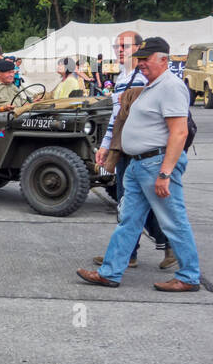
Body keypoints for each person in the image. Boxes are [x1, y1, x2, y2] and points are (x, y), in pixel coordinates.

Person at [77, 37, 200, 292]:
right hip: (137, 165)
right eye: (140, 58)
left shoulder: (171, 87)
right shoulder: (152, 85)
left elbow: (179, 133)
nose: (141, 63)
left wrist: (165, 173)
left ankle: (189, 276)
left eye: (146, 59)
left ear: (164, 59)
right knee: (128, 221)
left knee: (173, 221)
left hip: (155, 164)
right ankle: (110, 272)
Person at [91, 30, 173, 270]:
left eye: (125, 46)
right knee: (129, 201)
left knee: (140, 201)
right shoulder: (122, 77)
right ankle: (131, 252)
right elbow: (116, 118)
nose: (119, 50)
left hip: (142, 149)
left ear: (139, 48)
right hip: (125, 146)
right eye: (117, 46)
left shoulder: (144, 77)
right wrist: (106, 145)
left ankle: (164, 247)